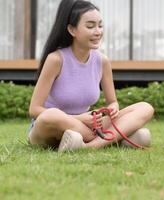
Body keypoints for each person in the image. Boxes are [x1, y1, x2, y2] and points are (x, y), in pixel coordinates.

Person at [28, 0, 154, 152]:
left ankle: (89, 145)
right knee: (52, 115)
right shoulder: (56, 59)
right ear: (72, 30)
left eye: (100, 25)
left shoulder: (102, 61)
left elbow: (113, 102)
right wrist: (77, 119)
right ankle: (113, 138)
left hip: (88, 125)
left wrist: (113, 108)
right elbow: (34, 109)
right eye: (90, 26)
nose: (98, 31)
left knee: (145, 107)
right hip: (50, 127)